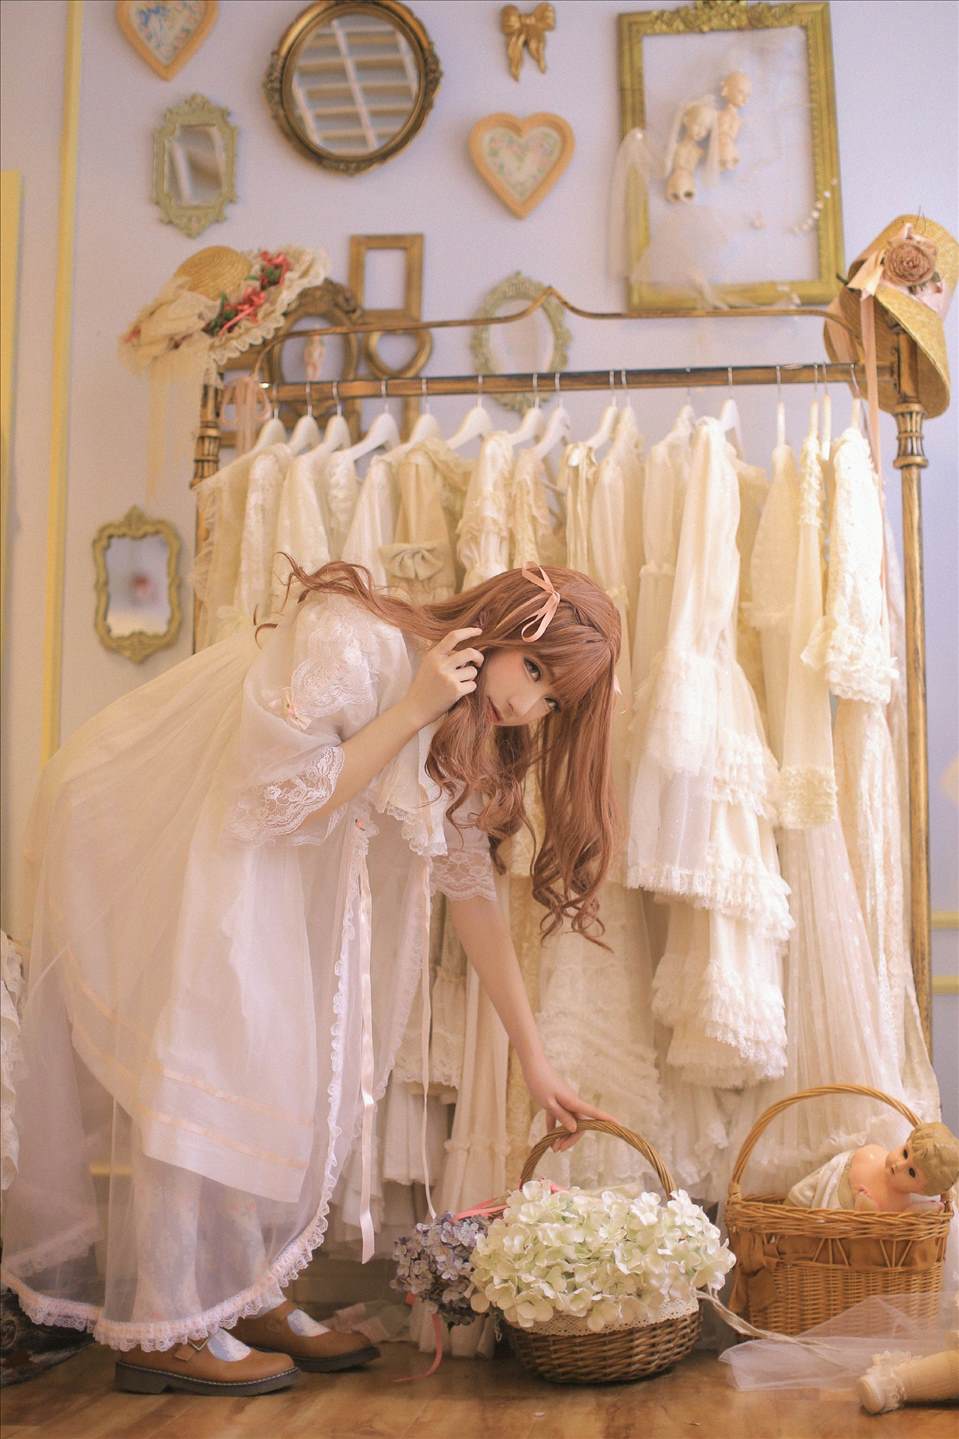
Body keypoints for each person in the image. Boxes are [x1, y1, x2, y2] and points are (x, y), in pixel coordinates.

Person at [1, 561, 620, 1396]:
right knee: (205, 1065)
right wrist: (411, 709)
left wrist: (534, 1061)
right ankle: (163, 1322)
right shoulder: (353, 636)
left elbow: (469, 890)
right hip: (188, 831)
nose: (526, 703)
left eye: (551, 700)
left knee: (269, 1075)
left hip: (265, 871)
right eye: (534, 669)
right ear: (502, 626)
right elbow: (273, 796)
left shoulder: (469, 723)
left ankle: (239, 1291)